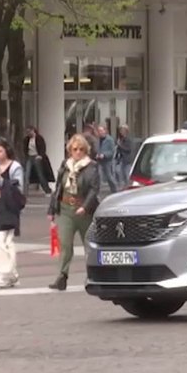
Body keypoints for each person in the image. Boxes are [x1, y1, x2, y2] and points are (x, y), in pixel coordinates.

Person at [47, 133, 103, 291]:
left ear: (86, 151)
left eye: (81, 149)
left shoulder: (91, 167)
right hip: (65, 209)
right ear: (70, 150)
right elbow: (58, 187)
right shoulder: (65, 165)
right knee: (65, 244)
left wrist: (85, 206)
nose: (78, 152)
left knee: (89, 245)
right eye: (75, 149)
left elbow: (94, 189)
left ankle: (93, 276)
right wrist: (52, 209)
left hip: (84, 211)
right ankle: (62, 276)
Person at [0, 137, 25, 289]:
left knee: (1, 241)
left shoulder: (15, 167)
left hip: (10, 208)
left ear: (7, 150)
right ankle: (12, 274)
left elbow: (17, 188)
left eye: (0, 151)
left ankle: (3, 274)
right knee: (6, 242)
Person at [23, 126, 52, 194]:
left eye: (29, 132)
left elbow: (43, 147)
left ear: (33, 131)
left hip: (37, 157)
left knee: (40, 174)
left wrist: (40, 155)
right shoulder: (26, 139)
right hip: (30, 157)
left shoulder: (39, 138)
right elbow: (25, 148)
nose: (28, 133)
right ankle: (25, 192)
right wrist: (26, 156)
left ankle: (47, 190)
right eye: (27, 132)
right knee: (26, 174)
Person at [95, 124, 118, 193]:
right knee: (98, 176)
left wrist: (104, 155)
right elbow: (98, 149)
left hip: (108, 161)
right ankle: (96, 192)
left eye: (101, 130)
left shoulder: (109, 140)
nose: (100, 132)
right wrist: (97, 155)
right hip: (100, 161)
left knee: (109, 177)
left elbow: (112, 151)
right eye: (99, 131)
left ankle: (114, 190)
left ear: (105, 131)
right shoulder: (98, 140)